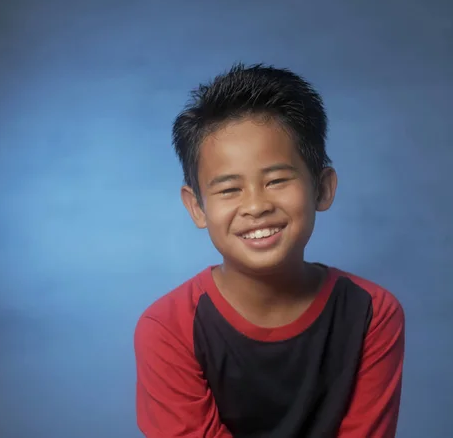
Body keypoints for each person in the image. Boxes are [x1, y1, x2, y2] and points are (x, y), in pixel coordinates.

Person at [134, 63, 405, 438]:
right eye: (229, 189)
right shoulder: (167, 329)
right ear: (196, 207)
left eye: (276, 180)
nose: (256, 205)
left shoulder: (371, 313)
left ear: (322, 188)